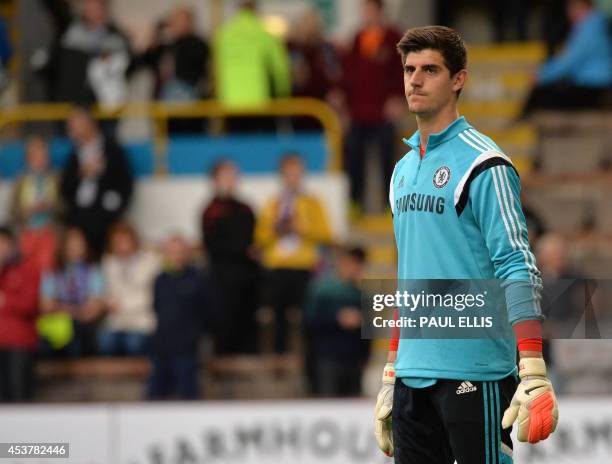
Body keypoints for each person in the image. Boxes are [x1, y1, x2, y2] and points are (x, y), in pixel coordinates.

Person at [374, 26, 558, 462]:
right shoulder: (401, 171)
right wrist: (391, 369)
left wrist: (532, 367)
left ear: (459, 79)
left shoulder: (485, 163)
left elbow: (517, 264)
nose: (414, 80)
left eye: (430, 69)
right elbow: (409, 278)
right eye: (409, 69)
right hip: (411, 379)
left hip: (474, 371)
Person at [255, 154, 332, 353]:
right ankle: (279, 361)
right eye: (289, 174)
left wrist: (302, 229)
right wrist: (276, 229)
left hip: (303, 266)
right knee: (277, 318)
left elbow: (326, 234)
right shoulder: (273, 203)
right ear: (282, 175)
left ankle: (308, 361)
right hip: (278, 267)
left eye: (297, 173)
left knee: (307, 316)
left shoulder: (313, 202)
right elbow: (260, 237)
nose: (294, 178)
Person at [340, 0, 404, 212]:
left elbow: (402, 72)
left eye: (369, 10)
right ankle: (355, 202)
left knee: (388, 158)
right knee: (353, 157)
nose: (366, 14)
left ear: (379, 11)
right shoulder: (357, 39)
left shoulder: (394, 38)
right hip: (359, 112)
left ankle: (390, 203)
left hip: (383, 112)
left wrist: (397, 98)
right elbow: (348, 76)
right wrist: (346, 106)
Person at [201, 160, 259, 354]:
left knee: (248, 324)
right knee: (225, 325)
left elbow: (254, 238)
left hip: (247, 278)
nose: (231, 181)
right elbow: (213, 245)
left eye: (234, 176)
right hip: (223, 278)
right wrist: (243, 250)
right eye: (226, 176)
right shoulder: (211, 211)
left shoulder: (246, 208)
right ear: (215, 180)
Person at [59, 108, 133, 257]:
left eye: (74, 126)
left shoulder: (112, 150)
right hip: (78, 217)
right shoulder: (74, 156)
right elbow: (64, 188)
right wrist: (81, 174)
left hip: (105, 216)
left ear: (89, 124)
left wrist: (114, 210)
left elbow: (125, 185)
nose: (70, 131)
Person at [148, 235, 215, 400]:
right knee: (155, 394)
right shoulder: (160, 280)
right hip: (162, 346)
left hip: (187, 347)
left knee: (187, 393)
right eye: (172, 252)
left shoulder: (199, 279)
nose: (177, 256)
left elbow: (208, 311)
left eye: (181, 252)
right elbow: (156, 308)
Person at [522, 0, 612, 115]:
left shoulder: (589, 28)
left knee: (540, 96)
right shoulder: (593, 25)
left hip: (593, 86)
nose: (568, 13)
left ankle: (516, 124)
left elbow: (569, 61)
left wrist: (542, 75)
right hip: (592, 84)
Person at [213, 0, 291, 132]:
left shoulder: (223, 35)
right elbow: (280, 72)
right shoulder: (266, 34)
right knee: (262, 148)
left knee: (236, 148)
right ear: (255, 8)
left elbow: (216, 71)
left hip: (230, 105)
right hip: (261, 105)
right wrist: (284, 99)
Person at [303, 246, 370, 397]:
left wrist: (365, 357)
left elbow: (368, 333)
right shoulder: (321, 291)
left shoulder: (361, 294)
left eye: (358, 264)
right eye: (350, 263)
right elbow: (309, 323)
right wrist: (337, 319)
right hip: (328, 359)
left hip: (354, 361)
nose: (354, 268)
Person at [39, 0, 132, 107]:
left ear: (104, 9)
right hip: (67, 105)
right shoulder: (71, 30)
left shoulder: (117, 38)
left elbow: (128, 66)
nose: (89, 9)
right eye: (87, 5)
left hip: (103, 107)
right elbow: (54, 7)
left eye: (94, 6)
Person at [40, 227, 105, 357]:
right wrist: (76, 310)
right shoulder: (52, 273)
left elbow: (93, 310)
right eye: (71, 245)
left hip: (81, 329)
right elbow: (45, 306)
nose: (75, 249)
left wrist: (62, 308)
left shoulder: (93, 272)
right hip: (56, 329)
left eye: (79, 245)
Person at [98, 222, 159, 356]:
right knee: (105, 344)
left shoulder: (150, 262)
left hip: (142, 321)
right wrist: (108, 303)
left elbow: (150, 295)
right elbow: (106, 293)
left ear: (134, 241)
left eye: (125, 241)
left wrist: (122, 305)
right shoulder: (108, 264)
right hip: (117, 321)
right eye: (117, 242)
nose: (122, 246)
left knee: (134, 345)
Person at [0, 226, 40, 402]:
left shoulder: (28, 269)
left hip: (19, 345)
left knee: (18, 399)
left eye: (2, 243)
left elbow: (30, 305)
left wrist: (5, 301)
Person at [11, 136, 59, 272]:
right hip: (27, 231)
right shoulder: (20, 180)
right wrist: (25, 210)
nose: (41, 159)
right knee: (27, 268)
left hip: (49, 231)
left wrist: (51, 206)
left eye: (44, 154)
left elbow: (63, 206)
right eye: (36, 155)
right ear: (28, 158)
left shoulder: (55, 178)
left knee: (47, 269)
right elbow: (12, 210)